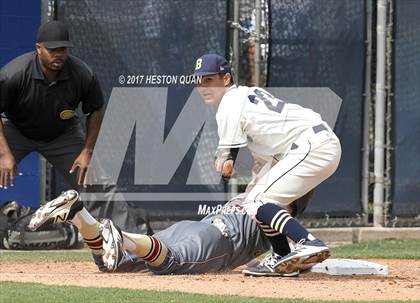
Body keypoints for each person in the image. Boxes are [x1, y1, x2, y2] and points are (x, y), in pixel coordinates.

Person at [0, 21, 137, 265]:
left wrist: (87, 151)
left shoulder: (82, 73)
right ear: (38, 48)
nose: (58, 54)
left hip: (63, 135)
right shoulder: (14, 74)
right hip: (15, 131)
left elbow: (95, 110)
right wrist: (4, 154)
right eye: (52, 49)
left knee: (96, 181)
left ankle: (135, 245)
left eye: (63, 49)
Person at [192, 53, 342, 276]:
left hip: (311, 145)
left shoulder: (228, 104)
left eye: (209, 80)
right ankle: (281, 256)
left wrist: (222, 161)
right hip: (309, 144)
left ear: (225, 79)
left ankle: (308, 241)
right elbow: (268, 144)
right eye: (198, 81)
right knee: (253, 199)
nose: (202, 87)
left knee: (260, 200)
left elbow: (226, 165)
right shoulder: (246, 94)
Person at [28, 189, 287, 276]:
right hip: (217, 241)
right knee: (170, 261)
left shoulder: (251, 195)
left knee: (113, 266)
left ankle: (78, 214)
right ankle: (122, 236)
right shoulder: (278, 216)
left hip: (192, 228)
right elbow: (287, 260)